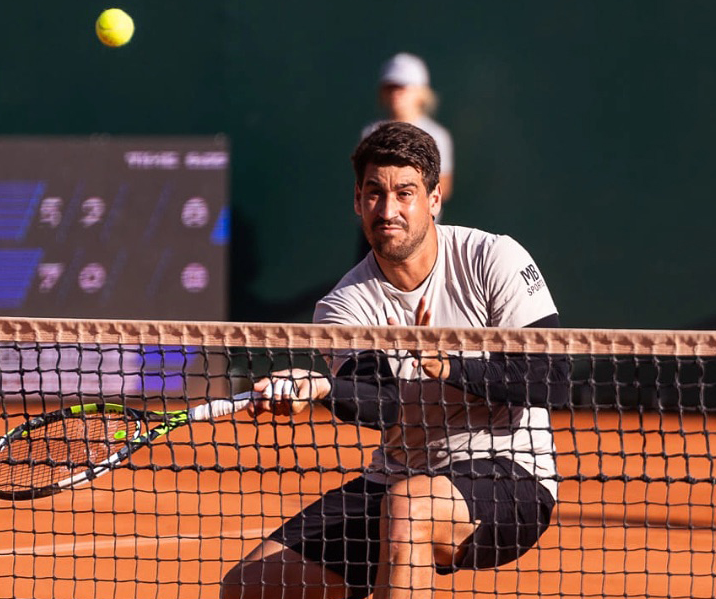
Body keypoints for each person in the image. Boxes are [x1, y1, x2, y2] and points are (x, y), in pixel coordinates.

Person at [221, 122, 568, 599]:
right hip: (399, 475)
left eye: (404, 193)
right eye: (373, 194)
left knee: (410, 511)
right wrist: (323, 387)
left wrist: (449, 366)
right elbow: (379, 403)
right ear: (357, 201)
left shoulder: (494, 259)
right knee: (248, 587)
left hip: (510, 475)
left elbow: (553, 380)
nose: (388, 210)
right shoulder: (343, 306)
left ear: (434, 198)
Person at [362, 53, 454, 206]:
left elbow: (444, 186)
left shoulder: (438, 135)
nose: (395, 94)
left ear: (420, 93)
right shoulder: (371, 132)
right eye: (390, 88)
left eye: (402, 87)